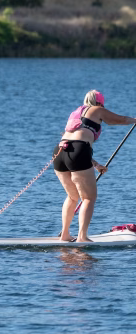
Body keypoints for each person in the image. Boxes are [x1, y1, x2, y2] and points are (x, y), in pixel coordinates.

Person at [53, 90, 136, 242]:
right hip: (77, 152)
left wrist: (96, 164)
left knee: (72, 197)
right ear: (99, 103)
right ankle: (82, 237)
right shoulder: (97, 110)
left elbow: (73, 145)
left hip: (59, 152)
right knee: (88, 198)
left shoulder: (76, 113)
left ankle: (65, 235)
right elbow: (118, 119)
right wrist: (133, 120)